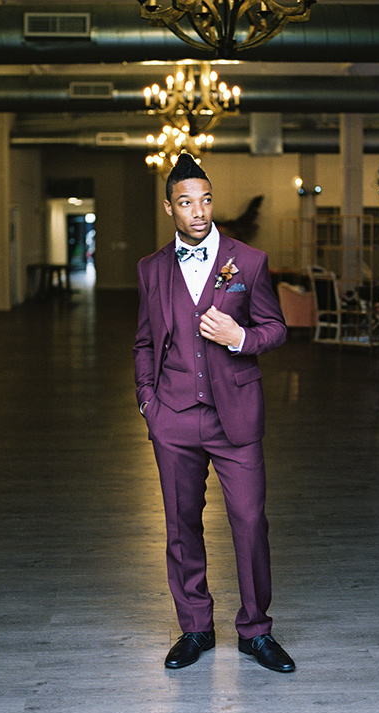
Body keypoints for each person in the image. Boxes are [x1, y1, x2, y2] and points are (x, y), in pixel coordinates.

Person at [133, 153, 294, 673]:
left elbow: (276, 328)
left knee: (249, 521)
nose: (198, 211)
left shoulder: (248, 261)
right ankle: (196, 627)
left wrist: (240, 337)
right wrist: (147, 400)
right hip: (173, 416)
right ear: (169, 208)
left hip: (236, 417)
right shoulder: (151, 270)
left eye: (205, 200)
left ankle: (255, 631)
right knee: (181, 525)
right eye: (186, 202)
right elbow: (143, 341)